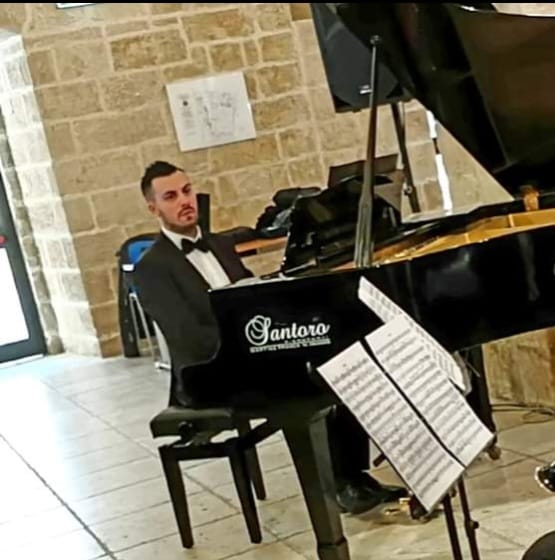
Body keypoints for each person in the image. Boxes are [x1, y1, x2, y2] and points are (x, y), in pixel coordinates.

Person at [134, 160, 407, 514]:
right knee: (313, 378)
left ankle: (352, 476)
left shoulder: (220, 244)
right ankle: (339, 485)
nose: (184, 201)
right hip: (208, 376)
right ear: (153, 208)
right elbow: (190, 340)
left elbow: (254, 300)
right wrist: (258, 351)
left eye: (187, 191)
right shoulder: (152, 268)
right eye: (170, 196)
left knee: (339, 358)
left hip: (251, 354)